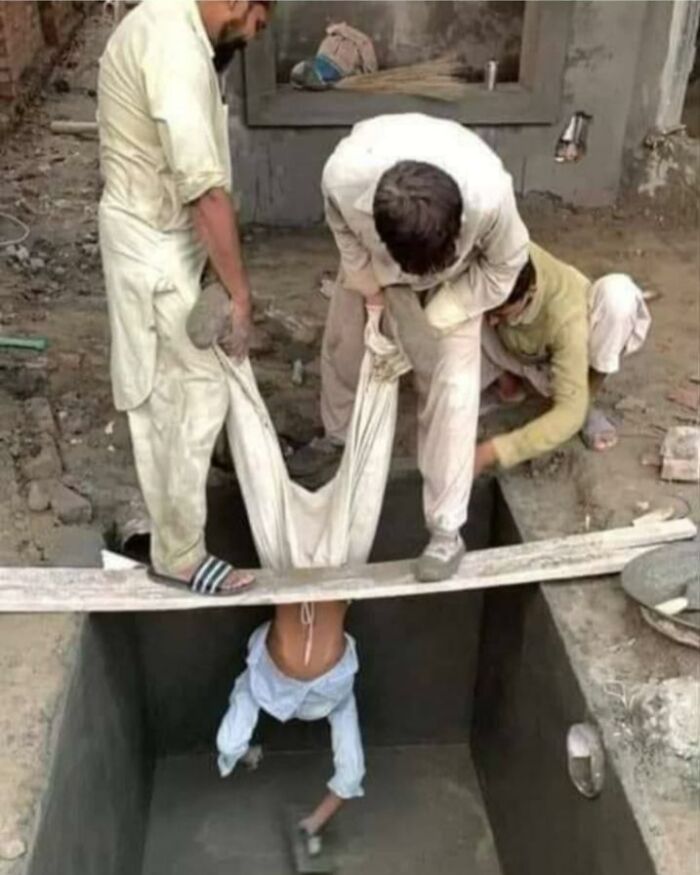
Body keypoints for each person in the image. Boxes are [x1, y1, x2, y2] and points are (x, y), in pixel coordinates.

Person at [289, 114, 529, 582]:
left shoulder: (489, 198)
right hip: (379, 274)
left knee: (453, 391)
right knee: (345, 350)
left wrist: (437, 315)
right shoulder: (343, 181)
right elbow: (350, 248)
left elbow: (504, 270)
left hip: (459, 284)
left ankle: (446, 530)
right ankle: (338, 438)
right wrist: (381, 296)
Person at [97, 0, 272, 594]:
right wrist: (239, 296)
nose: (251, 35)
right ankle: (179, 554)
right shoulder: (175, 49)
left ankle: (178, 508)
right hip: (152, 245)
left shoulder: (174, 26)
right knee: (184, 393)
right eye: (256, 22)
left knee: (179, 384)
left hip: (159, 234)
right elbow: (204, 193)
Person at [474, 242, 651, 476]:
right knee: (462, 315)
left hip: (556, 353)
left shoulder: (567, 323)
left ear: (530, 293)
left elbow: (569, 414)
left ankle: (587, 396)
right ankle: (508, 384)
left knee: (617, 297)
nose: (493, 321)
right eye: (492, 312)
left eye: (501, 314)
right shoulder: (510, 248)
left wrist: (492, 451)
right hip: (520, 350)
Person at [217, 601, 364, 864]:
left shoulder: (337, 695)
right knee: (229, 744)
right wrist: (243, 753)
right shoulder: (259, 681)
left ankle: (312, 823)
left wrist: (315, 822)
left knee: (351, 770)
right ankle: (248, 754)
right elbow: (229, 746)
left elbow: (351, 776)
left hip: (329, 690)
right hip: (272, 680)